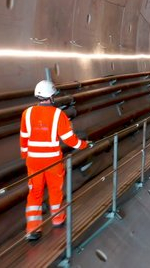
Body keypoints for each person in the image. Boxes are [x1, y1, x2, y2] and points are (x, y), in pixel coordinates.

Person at [20, 80, 89, 241]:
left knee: (34, 193)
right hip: (52, 161)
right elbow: (69, 139)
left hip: (34, 161)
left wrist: (26, 155)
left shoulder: (27, 113)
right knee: (55, 191)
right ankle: (58, 219)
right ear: (51, 97)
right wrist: (84, 145)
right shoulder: (58, 115)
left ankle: (33, 229)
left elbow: (24, 137)